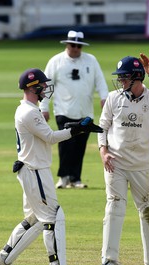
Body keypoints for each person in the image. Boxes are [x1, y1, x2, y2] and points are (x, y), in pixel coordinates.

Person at [0, 68, 102, 265]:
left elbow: (45, 136)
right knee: (53, 215)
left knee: (36, 218)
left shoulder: (26, 109)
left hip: (32, 170)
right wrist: (77, 130)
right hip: (35, 171)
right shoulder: (29, 112)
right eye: (43, 85)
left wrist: (75, 127)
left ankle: (4, 257)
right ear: (34, 87)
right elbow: (50, 137)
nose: (46, 88)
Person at [98, 56, 149, 265]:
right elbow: (102, 127)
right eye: (120, 77)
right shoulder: (114, 98)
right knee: (114, 207)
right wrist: (103, 152)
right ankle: (108, 261)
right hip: (116, 163)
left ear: (137, 77)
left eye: (125, 77)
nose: (121, 81)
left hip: (142, 165)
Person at [40, 30, 109, 189]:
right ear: (67, 44)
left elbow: (100, 81)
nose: (75, 48)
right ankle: (63, 177)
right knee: (65, 145)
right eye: (73, 45)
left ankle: (75, 178)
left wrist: (105, 97)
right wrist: (43, 107)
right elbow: (47, 86)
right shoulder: (56, 61)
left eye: (79, 45)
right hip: (63, 111)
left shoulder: (91, 60)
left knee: (80, 146)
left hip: (85, 112)